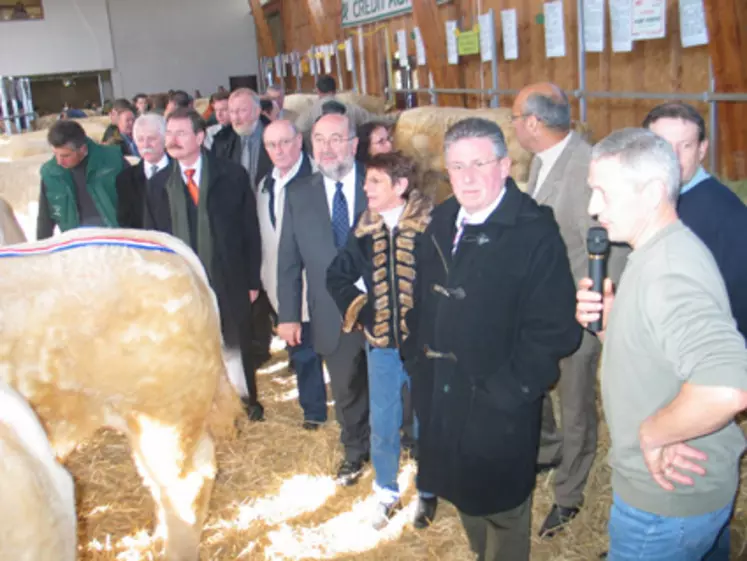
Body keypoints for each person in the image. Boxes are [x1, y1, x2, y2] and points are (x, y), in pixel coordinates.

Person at [401, 118, 581, 560]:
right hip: (442, 394)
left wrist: (509, 391)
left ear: (504, 166)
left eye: (479, 163)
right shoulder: (441, 221)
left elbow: (555, 328)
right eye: (456, 166)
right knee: (464, 496)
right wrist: (416, 357)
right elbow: (423, 298)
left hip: (499, 405)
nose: (467, 177)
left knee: (503, 509)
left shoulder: (534, 232)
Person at [576, 127, 747, 561]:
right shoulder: (657, 251)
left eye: (603, 193)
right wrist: (612, 326)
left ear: (653, 192)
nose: (593, 207)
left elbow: (728, 386)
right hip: (686, 493)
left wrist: (654, 434)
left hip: (662, 505)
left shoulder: (669, 269)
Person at [511, 82, 629, 537]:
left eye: (517, 118)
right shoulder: (544, 161)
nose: (515, 126)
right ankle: (546, 454)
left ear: (534, 124)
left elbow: (606, 248)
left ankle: (569, 494)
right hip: (543, 308)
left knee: (576, 403)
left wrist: (597, 315)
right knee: (541, 390)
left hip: (578, 312)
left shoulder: (585, 166)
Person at [326, 151, 435, 529]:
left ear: (400, 186)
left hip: (423, 348)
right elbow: (336, 276)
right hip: (383, 348)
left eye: (375, 182)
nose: (365, 187)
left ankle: (428, 490)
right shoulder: (364, 230)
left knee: (426, 420)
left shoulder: (431, 226)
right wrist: (364, 310)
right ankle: (386, 491)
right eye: (366, 180)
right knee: (384, 421)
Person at [146, 108, 264, 421]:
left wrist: (253, 281)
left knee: (236, 342)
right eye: (169, 134)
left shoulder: (231, 175)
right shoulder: (158, 186)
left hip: (229, 277)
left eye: (181, 133)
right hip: (183, 284)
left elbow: (250, 231)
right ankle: (204, 406)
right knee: (193, 345)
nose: (173, 140)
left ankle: (245, 402)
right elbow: (154, 243)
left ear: (200, 137)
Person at [277, 112, 370, 485]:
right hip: (331, 313)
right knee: (345, 389)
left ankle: (403, 446)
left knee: (395, 386)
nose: (327, 148)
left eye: (336, 138)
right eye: (320, 139)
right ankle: (354, 452)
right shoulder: (299, 194)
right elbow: (288, 260)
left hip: (383, 311)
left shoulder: (380, 184)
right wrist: (288, 315)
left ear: (353, 143)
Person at [643, 102, 747, 341]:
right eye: (663, 145)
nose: (674, 157)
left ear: (702, 150)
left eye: (686, 146)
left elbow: (736, 304)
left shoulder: (728, 216)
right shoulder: (650, 200)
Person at [257, 120, 327, 430]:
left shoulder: (318, 177)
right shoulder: (264, 185)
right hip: (282, 284)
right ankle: (313, 410)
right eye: (271, 145)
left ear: (299, 141)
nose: (278, 150)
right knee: (301, 351)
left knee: (327, 349)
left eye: (284, 142)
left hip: (320, 284)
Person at [37, 120, 126, 240]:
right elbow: (45, 217)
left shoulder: (113, 162)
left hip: (117, 239)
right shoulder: (51, 173)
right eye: (55, 154)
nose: (59, 161)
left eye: (65, 156)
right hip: (77, 244)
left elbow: (137, 203)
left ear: (83, 149)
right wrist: (42, 248)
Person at [211, 88, 272, 193]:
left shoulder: (277, 136)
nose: (235, 118)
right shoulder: (222, 140)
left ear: (257, 111)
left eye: (242, 111)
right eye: (232, 111)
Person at [116, 113, 171, 229]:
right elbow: (125, 222)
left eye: (151, 139)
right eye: (140, 139)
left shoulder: (181, 173)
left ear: (165, 139)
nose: (146, 145)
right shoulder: (125, 179)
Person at [295, 75, 386, 142]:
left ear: (318, 91)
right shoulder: (353, 109)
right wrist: (397, 116)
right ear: (335, 90)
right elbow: (377, 119)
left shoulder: (307, 113)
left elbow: (295, 133)